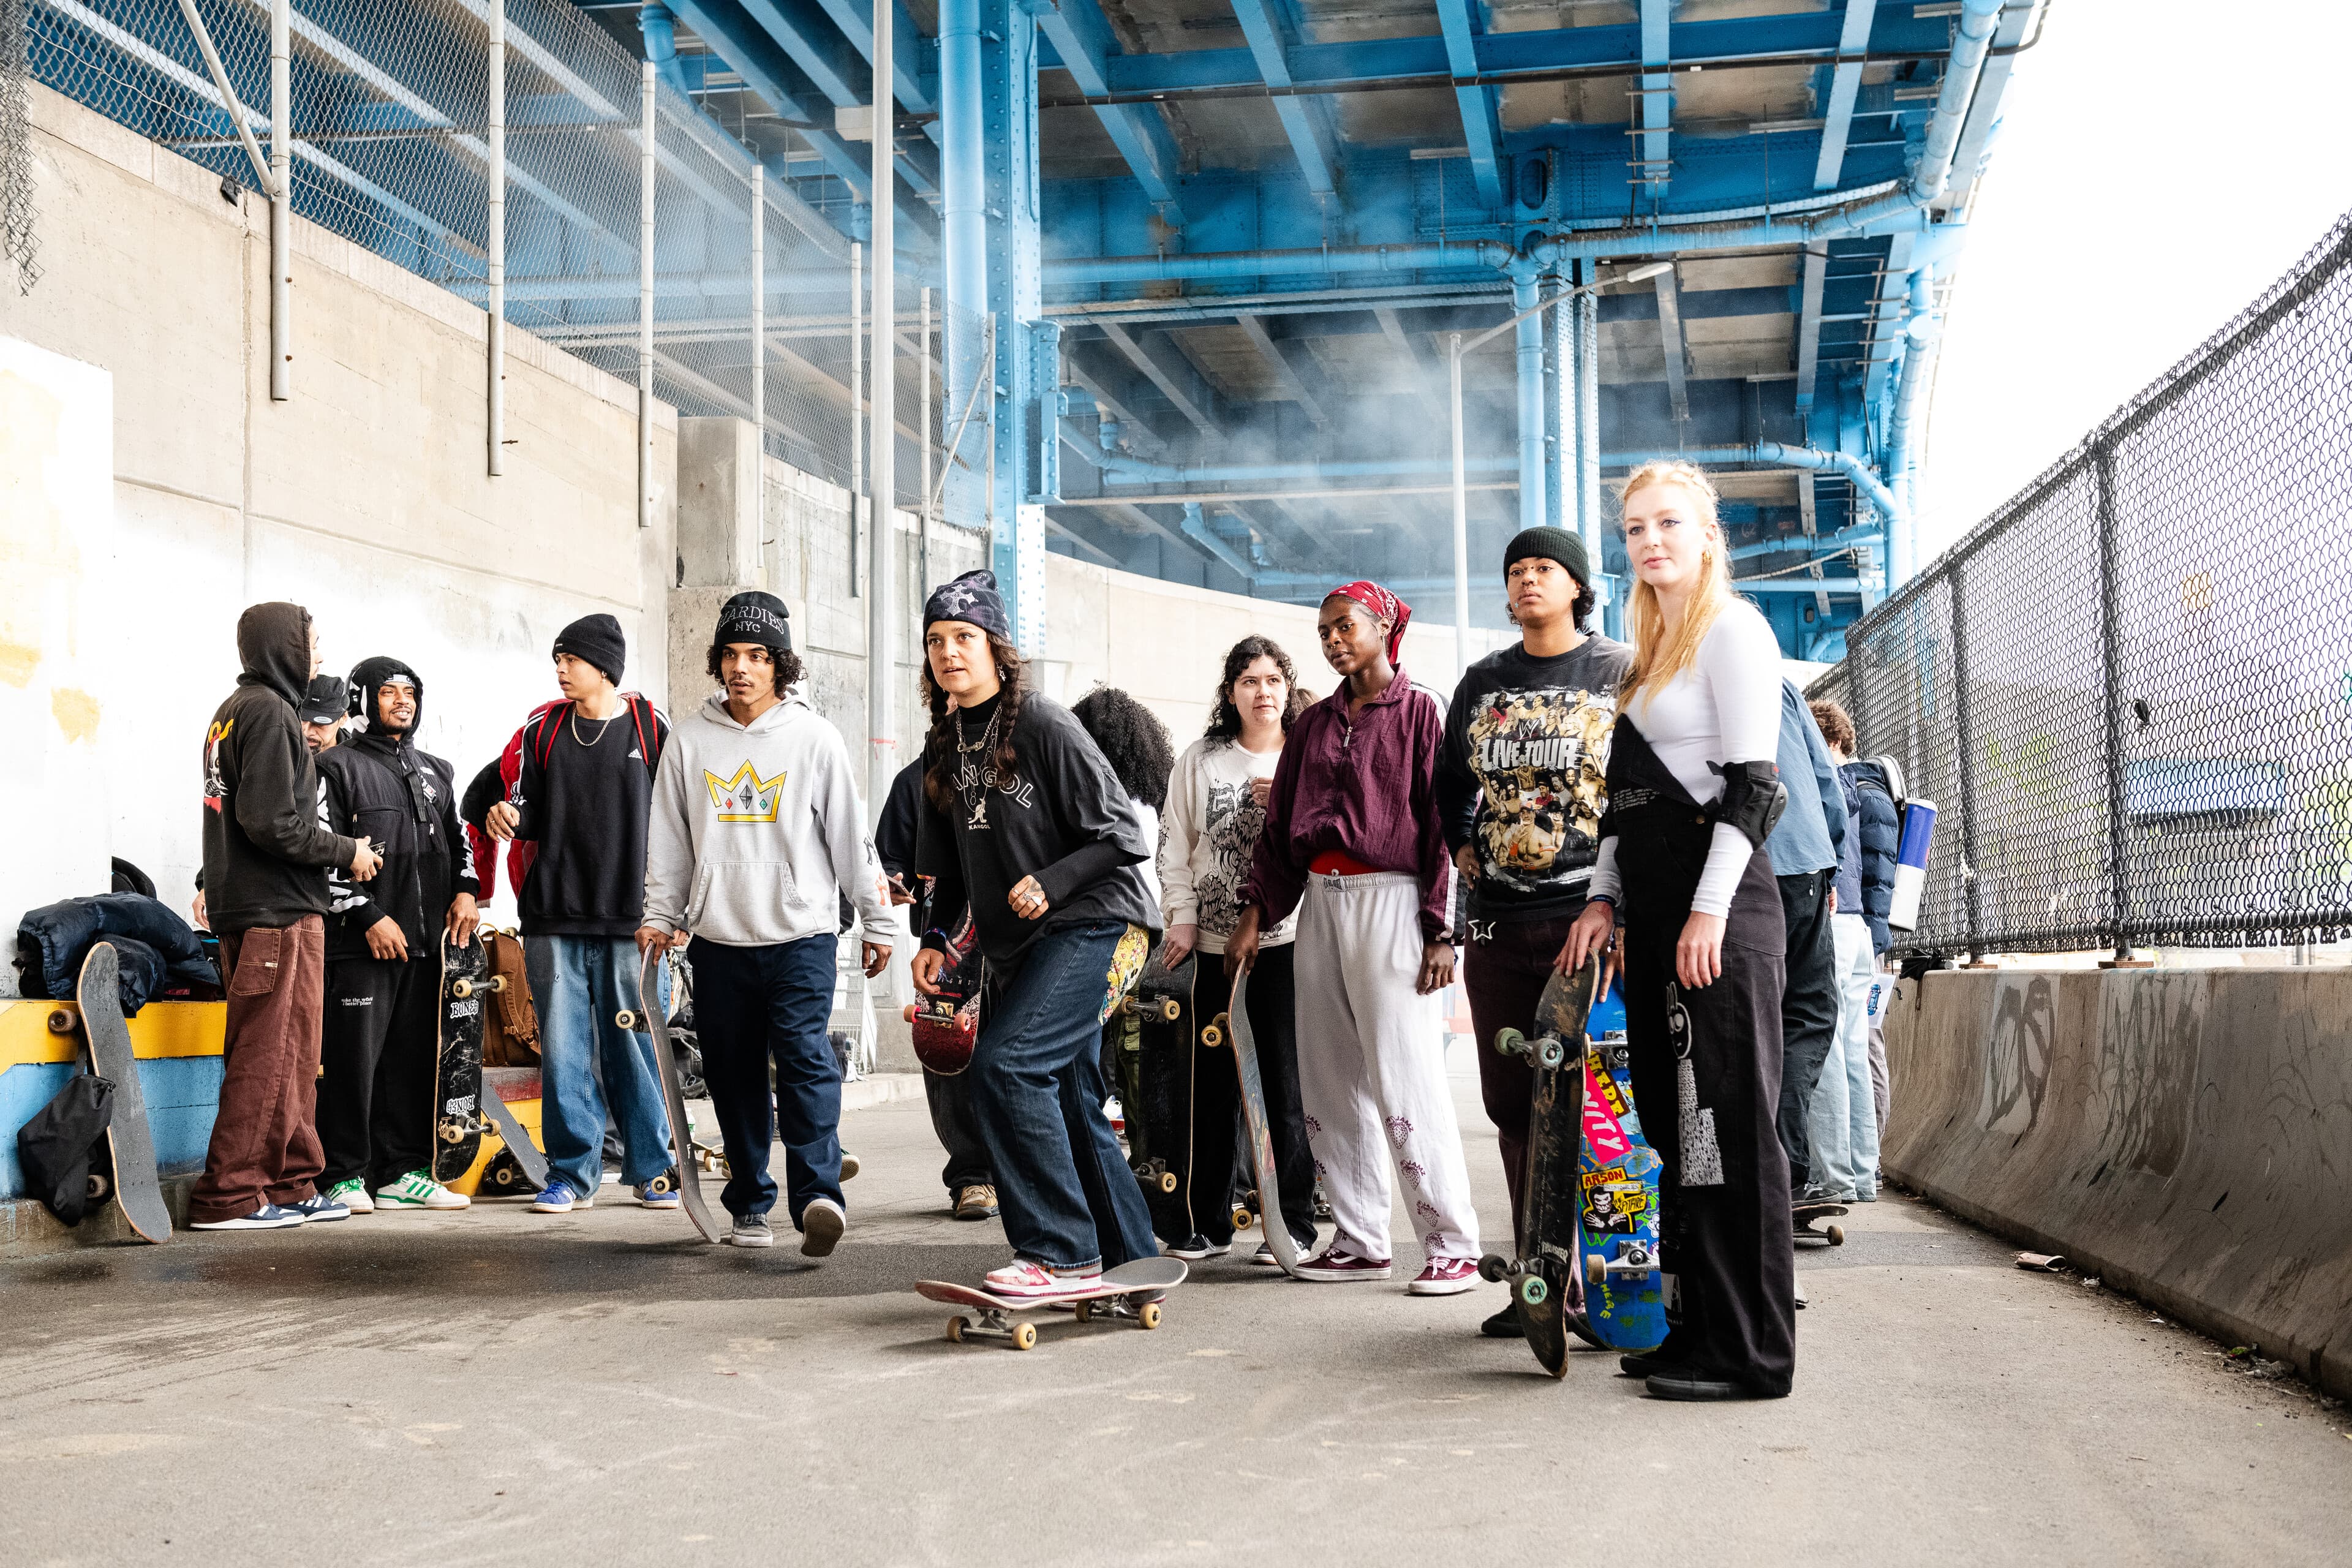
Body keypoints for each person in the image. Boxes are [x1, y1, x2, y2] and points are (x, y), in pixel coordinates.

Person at [1564, 459, 1796, 1400]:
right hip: (1658, 922)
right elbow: (1626, 806)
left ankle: (1752, 1355)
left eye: (1668, 523)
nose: (1650, 541)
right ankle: (1697, 1328)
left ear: (1707, 532)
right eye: (1634, 528)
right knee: (1678, 1134)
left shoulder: (1733, 631)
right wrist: (1603, 897)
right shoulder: (1651, 650)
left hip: (1721, 921)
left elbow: (1755, 788)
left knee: (1729, 1134)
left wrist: (1705, 912)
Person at [909, 570, 1161, 1299]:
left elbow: (1121, 835)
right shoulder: (945, 746)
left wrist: (1050, 881)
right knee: (1071, 1090)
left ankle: (1060, 1251)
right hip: (1019, 946)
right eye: (935, 641)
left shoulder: (1044, 724)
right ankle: (1129, 1256)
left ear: (996, 648)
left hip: (1099, 924)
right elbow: (949, 869)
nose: (949, 652)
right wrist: (935, 937)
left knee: (1008, 1066)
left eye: (964, 638)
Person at [1228, 581, 1480, 1295]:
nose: (1334, 640)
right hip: (1320, 906)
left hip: (1393, 902)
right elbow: (1280, 831)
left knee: (1406, 1076)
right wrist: (1257, 911)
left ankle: (1452, 1241)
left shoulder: (1423, 711)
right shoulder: (1311, 726)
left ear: (1384, 627)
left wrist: (1442, 930)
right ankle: (1361, 1237)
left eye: (1346, 627)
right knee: (1330, 1080)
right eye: (1325, 632)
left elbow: (1442, 828)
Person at [639, 594, 892, 1254]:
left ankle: (817, 1197)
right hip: (720, 939)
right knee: (733, 1073)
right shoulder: (689, 742)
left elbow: (850, 838)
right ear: (718, 662)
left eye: (757, 656)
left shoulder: (815, 738)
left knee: (806, 1060)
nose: (742, 668)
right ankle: (751, 1204)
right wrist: (660, 917)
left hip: (802, 935)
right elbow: (667, 840)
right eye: (731, 654)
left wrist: (878, 920)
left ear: (781, 664)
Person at [1437, 527, 1634, 1338]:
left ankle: (1602, 1277)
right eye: (1515, 570)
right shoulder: (1483, 682)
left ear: (1578, 587)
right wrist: (1460, 848)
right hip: (1497, 928)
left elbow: (1638, 794)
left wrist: (1618, 909)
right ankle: (1538, 1285)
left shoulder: (1617, 671)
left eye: (1543, 570)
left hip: (1581, 927)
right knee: (1512, 1104)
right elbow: (1448, 786)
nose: (1526, 582)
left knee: (1587, 1109)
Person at [190, 603, 381, 1231]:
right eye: (313, 644)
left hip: (268, 906)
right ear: (284, 647)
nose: (319, 656)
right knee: (269, 1053)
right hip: (274, 910)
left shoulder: (234, 711)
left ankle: (294, 1182)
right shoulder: (269, 712)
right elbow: (272, 823)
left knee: (297, 1052)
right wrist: (346, 849)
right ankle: (231, 1194)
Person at [483, 614, 677, 1215]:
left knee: (635, 1053)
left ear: (605, 667)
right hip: (554, 921)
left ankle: (654, 1169)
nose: (561, 671)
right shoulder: (543, 729)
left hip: (632, 924)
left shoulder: (651, 729)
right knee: (564, 1052)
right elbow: (526, 807)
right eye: (558, 661)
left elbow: (682, 821)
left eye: (571, 660)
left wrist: (679, 909)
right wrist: (506, 815)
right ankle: (572, 1175)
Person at [1157, 637, 1317, 1266]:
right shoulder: (1202, 759)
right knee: (1212, 1087)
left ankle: (1295, 1225)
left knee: (1285, 1086)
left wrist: (1284, 803)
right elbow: (1174, 845)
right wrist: (1183, 919)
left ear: (1287, 686)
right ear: (1231, 693)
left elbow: (1326, 842)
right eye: (1249, 680)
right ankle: (1207, 1223)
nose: (1263, 691)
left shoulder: (1306, 758)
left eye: (1274, 679)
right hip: (1215, 947)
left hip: (1288, 944)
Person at [315, 658, 481, 1214]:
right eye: (388, 692)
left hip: (426, 944)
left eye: (410, 693)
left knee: (413, 1061)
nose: (402, 702)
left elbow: (461, 846)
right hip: (360, 944)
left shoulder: (436, 771)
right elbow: (320, 855)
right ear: (362, 700)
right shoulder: (333, 767)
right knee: (352, 1063)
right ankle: (343, 1176)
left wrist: (465, 892)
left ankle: (402, 1172)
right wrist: (366, 916)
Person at [876, 753, 997, 1221]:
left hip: (1021, 938)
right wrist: (891, 881)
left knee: (1017, 1059)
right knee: (948, 1052)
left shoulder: (1022, 758)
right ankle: (973, 1177)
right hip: (946, 945)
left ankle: (1027, 1173)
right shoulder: (916, 780)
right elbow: (889, 859)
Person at [1810, 699, 1900, 1175]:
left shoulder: (1855, 790)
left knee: (1855, 1044)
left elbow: (1873, 876)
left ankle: (1856, 1162)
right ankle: (1865, 1164)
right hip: (1863, 933)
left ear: (1834, 741)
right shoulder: (1871, 790)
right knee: (1859, 1042)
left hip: (1852, 929)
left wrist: (1870, 932)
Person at [1767, 680, 1849, 1199]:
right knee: (1808, 1012)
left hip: (1716, 879)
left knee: (1746, 1019)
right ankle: (1786, 1171)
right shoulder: (1780, 688)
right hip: (1798, 863)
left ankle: (1753, 1170)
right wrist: (1831, 860)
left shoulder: (1669, 672)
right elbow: (1826, 785)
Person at [192, 673, 347, 936]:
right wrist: (211, 882)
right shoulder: (280, 745)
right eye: (303, 719)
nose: (308, 731)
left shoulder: (353, 771)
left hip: (334, 922)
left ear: (343, 717)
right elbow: (253, 818)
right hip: (284, 913)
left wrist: (369, 914)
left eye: (321, 723)